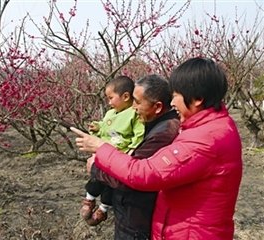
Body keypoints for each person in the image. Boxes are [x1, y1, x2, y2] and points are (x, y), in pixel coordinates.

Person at [71, 57, 243, 240]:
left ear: (198, 99)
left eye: (176, 95)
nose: (173, 102)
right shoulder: (207, 128)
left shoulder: (205, 139)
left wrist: (101, 149)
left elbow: (146, 173)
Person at [91, 74, 180, 239]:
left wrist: (95, 167)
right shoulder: (151, 123)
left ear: (158, 107)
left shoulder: (164, 133)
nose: (133, 107)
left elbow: (132, 176)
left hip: (137, 220)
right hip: (131, 214)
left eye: (137, 102)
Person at [80, 75, 145, 226]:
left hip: (119, 156)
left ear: (126, 96)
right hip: (104, 153)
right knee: (96, 178)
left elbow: (139, 133)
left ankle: (103, 209)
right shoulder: (110, 113)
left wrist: (132, 149)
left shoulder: (134, 114)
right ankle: (89, 199)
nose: (108, 102)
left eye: (111, 98)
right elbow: (105, 126)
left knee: (111, 186)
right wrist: (97, 126)